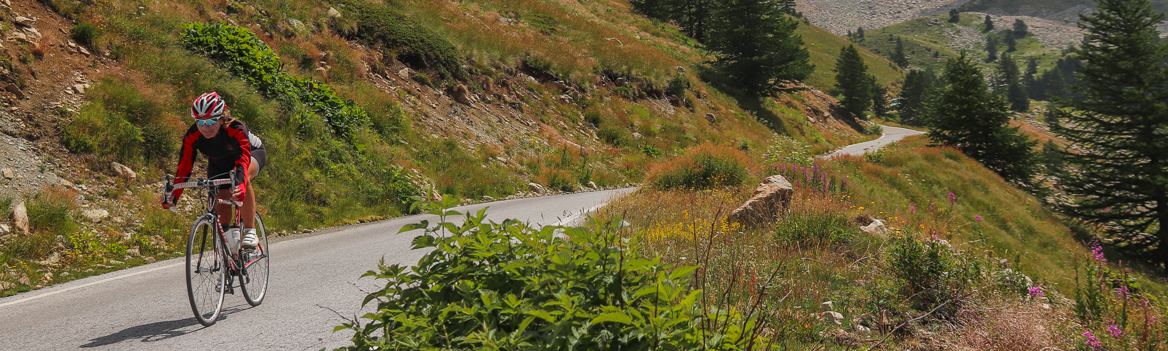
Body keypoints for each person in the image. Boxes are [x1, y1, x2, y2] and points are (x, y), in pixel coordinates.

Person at [163, 92, 266, 249]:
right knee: (221, 203)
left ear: (221, 118)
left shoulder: (236, 129)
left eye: (211, 121)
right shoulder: (193, 135)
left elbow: (243, 160)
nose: (205, 127)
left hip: (251, 154)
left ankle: (250, 231)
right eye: (200, 122)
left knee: (242, 179)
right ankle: (230, 248)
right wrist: (174, 195)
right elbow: (184, 166)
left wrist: (240, 186)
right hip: (219, 162)